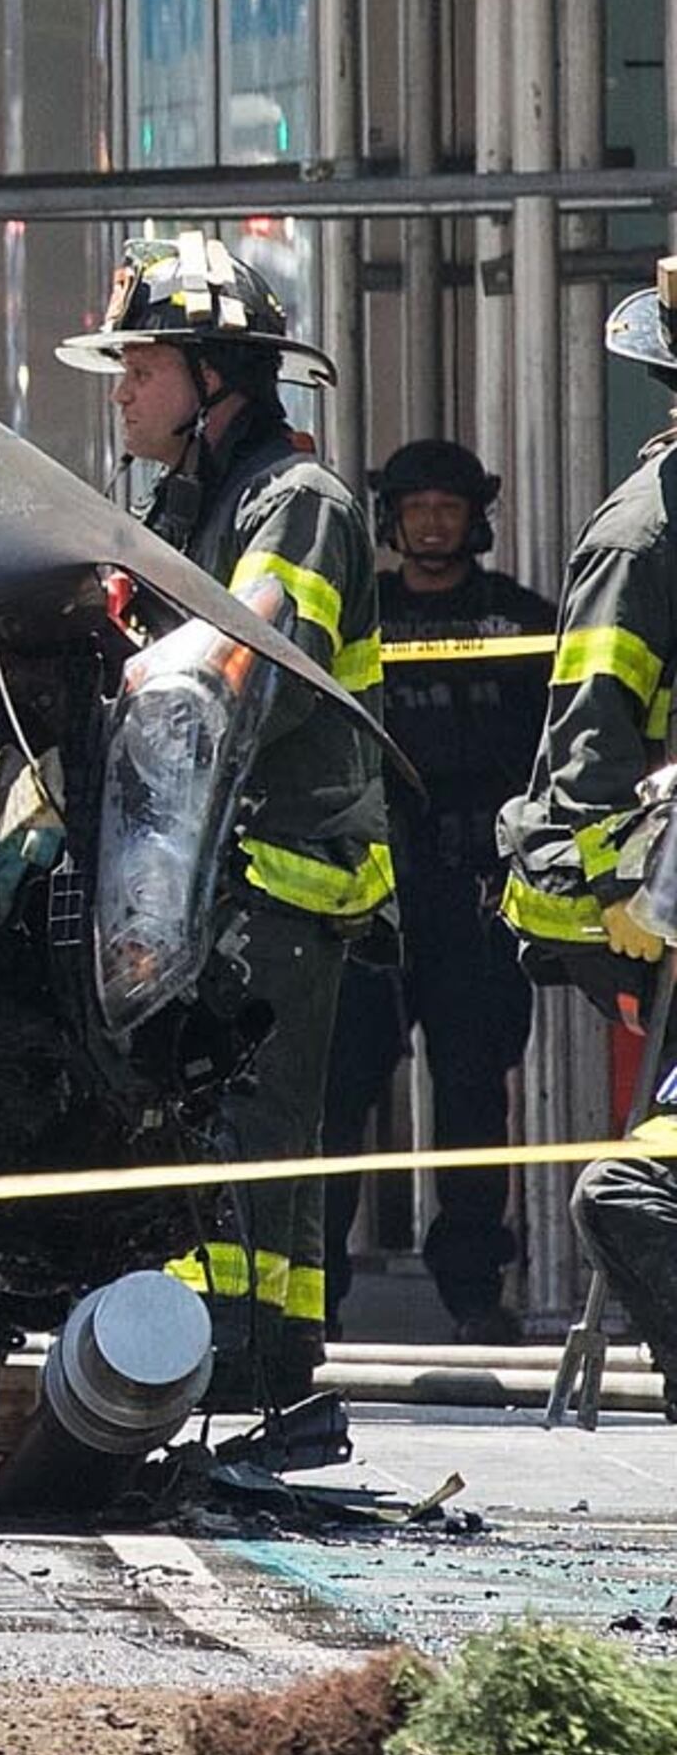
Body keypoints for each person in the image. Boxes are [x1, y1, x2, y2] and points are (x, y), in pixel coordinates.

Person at [56, 229, 391, 1413]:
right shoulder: (200, 501)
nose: (124, 396)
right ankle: (252, 1353)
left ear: (214, 381)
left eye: (140, 371)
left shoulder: (295, 504)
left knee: (248, 1125)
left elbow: (246, 671)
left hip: (279, 869)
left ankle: (249, 1354)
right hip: (216, 866)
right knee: (228, 1124)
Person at [322, 438, 555, 1343]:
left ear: (475, 518)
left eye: (446, 507)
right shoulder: (360, 616)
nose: (430, 522)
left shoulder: (520, 621)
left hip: (475, 897)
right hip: (372, 895)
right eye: (415, 506)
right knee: (340, 1095)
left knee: (472, 1099)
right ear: (391, 519)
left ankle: (471, 1292)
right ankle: (319, 1290)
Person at [506, 257, 677, 1368]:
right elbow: (594, 736)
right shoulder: (646, 537)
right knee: (637, 1191)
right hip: (658, 901)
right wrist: (617, 894)